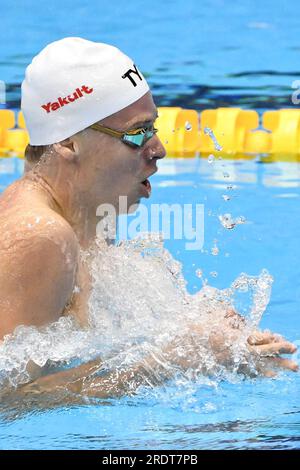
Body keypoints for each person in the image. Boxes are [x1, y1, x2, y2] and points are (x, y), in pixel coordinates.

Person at [0, 38, 297, 398]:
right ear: (68, 143)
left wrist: (202, 335)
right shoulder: (41, 237)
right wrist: (167, 361)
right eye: (137, 134)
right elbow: (7, 399)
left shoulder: (90, 210)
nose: (158, 150)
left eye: (154, 128)